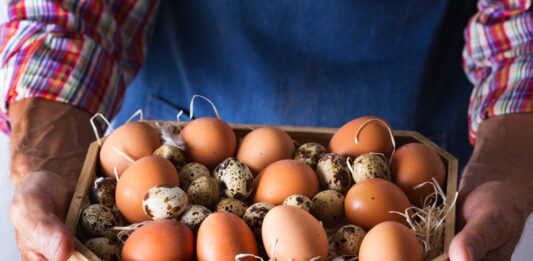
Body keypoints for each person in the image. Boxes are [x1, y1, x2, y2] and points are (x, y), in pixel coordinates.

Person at [1, 0, 532, 260]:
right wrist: (48, 161)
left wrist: (508, 161)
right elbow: (66, 13)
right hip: (182, 124)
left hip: (409, 132)